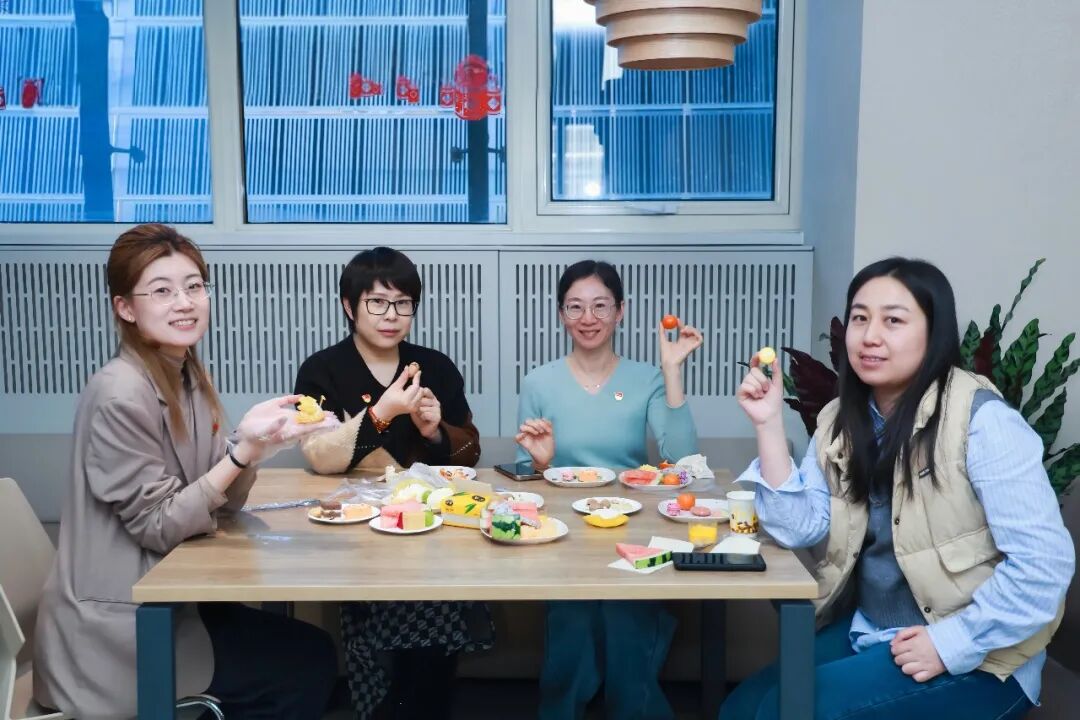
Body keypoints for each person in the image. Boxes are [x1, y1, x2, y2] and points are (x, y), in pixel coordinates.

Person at [722, 257, 1075, 720]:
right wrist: (767, 424)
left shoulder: (983, 422)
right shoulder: (840, 419)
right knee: (742, 707)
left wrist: (951, 642)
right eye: (860, 318)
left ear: (934, 332)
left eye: (893, 321)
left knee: (785, 710)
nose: (870, 336)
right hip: (874, 629)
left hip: (982, 655)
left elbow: (1043, 566)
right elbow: (799, 527)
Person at [33, 224, 337, 720]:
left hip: (176, 598)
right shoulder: (119, 393)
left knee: (310, 651)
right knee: (305, 664)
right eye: (162, 291)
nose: (185, 303)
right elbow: (159, 524)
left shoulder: (187, 374)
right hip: (123, 626)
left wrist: (254, 447)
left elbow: (221, 500)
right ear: (125, 308)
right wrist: (240, 453)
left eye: (194, 286)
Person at [293, 246, 490, 719]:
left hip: (430, 532)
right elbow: (319, 456)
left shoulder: (434, 366)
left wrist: (436, 432)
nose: (391, 315)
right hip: (357, 535)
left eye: (403, 303)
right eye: (377, 302)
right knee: (396, 635)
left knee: (431, 634)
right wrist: (381, 414)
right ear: (349, 305)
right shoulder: (322, 369)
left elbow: (470, 453)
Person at [515, 259, 703, 720]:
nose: (588, 318)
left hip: (631, 524)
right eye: (575, 306)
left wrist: (671, 370)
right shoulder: (538, 382)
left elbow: (682, 460)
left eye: (600, 306)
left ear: (621, 311)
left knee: (627, 618)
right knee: (572, 621)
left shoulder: (647, 378)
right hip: (563, 530)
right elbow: (526, 476)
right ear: (561, 313)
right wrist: (540, 462)